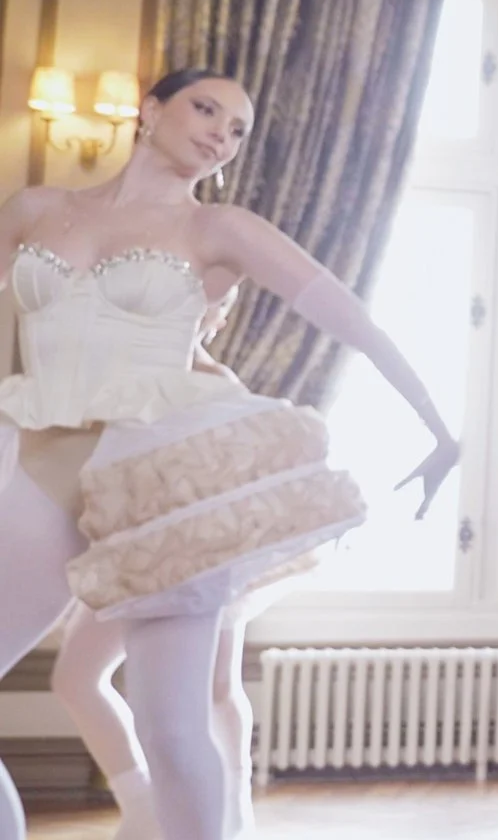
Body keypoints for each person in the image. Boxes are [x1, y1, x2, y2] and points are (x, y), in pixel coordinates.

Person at [0, 69, 459, 840]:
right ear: (148, 111)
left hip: (160, 480)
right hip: (37, 458)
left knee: (173, 733)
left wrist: (439, 429)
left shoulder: (220, 230)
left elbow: (355, 322)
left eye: (238, 127)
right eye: (205, 108)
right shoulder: (34, 209)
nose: (221, 131)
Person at [49, 288, 287, 840]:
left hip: (210, 553)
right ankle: (142, 803)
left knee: (219, 689)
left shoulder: (218, 382)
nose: (210, 307)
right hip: (135, 553)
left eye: (219, 300)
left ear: (219, 317)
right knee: (76, 677)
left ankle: (231, 814)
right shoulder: (126, 368)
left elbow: (236, 475)